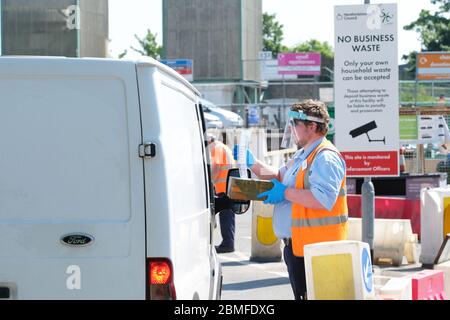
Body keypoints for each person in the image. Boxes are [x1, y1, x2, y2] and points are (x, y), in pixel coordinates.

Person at [234, 99, 348, 300]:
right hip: (299, 248)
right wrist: (252, 164)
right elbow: (279, 176)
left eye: (295, 124)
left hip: (317, 250)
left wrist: (284, 193)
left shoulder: (325, 157)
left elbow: (323, 200)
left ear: (312, 126)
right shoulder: (303, 155)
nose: (292, 129)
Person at [207, 133, 237, 253]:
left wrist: (209, 182)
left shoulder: (216, 148)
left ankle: (228, 244)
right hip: (229, 187)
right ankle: (228, 242)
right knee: (228, 217)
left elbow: (214, 168)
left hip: (224, 189)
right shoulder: (224, 147)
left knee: (226, 217)